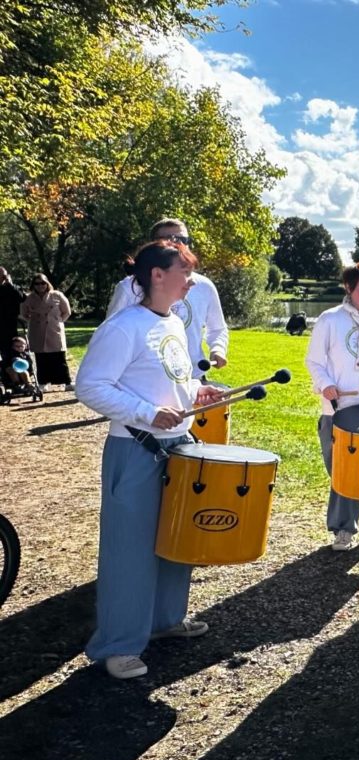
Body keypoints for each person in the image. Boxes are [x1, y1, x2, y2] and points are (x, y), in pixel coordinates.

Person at [76, 240, 223, 679]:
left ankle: (164, 622)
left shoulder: (172, 323)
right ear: (157, 275)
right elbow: (90, 386)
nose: (191, 279)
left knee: (176, 542)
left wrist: (197, 392)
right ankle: (118, 645)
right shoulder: (124, 327)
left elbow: (170, 380)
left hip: (178, 446)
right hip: (136, 450)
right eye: (184, 270)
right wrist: (146, 414)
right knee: (130, 551)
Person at [305, 261, 359, 551]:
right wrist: (326, 384)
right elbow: (314, 361)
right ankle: (344, 529)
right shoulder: (330, 319)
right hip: (338, 409)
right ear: (348, 288)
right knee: (343, 471)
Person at [108, 218, 229, 378]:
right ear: (154, 245)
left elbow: (218, 328)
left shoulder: (204, 286)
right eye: (169, 240)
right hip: (145, 381)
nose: (177, 245)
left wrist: (217, 348)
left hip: (193, 377)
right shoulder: (128, 287)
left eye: (182, 240)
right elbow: (112, 338)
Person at [20, 273, 72, 391]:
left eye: (43, 283)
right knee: (41, 358)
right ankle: (43, 383)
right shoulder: (28, 298)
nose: (40, 286)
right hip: (37, 330)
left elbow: (67, 311)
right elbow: (23, 314)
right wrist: (33, 322)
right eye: (37, 284)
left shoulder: (57, 295)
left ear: (47, 283)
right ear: (33, 285)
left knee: (59, 357)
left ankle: (67, 382)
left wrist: (57, 322)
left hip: (54, 330)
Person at [0, 266, 26, 361]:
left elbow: (22, 298)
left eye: (4, 276)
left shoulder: (13, 288)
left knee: (9, 354)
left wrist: (10, 284)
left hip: (9, 326)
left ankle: (9, 373)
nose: (3, 278)